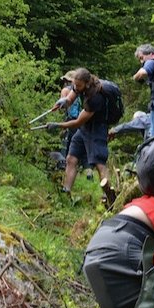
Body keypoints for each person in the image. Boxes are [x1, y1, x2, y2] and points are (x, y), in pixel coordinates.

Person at [47, 68, 115, 207]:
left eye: (79, 85)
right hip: (84, 129)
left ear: (87, 83)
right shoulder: (78, 85)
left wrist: (58, 125)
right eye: (75, 85)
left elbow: (78, 122)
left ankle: (110, 197)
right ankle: (66, 192)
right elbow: (71, 97)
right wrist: (64, 101)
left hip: (97, 128)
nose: (76, 88)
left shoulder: (95, 97)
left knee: (99, 163)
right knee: (71, 158)